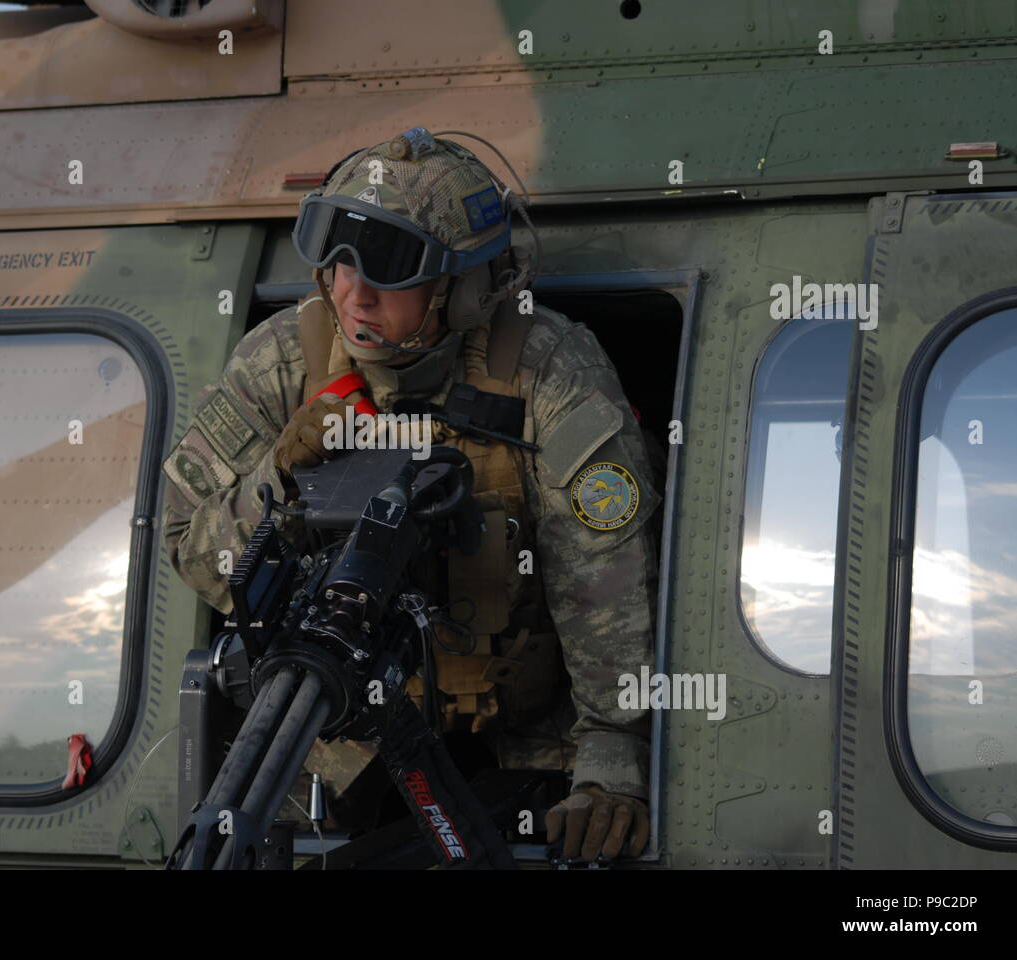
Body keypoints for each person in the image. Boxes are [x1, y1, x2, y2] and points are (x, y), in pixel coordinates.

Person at [162, 127, 659, 862]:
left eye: (390, 270)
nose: (352, 292)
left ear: (460, 294)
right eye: (337, 257)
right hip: (346, 747)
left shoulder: (545, 368)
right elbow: (189, 549)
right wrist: (281, 474)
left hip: (521, 745)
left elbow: (605, 581)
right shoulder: (282, 362)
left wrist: (613, 755)